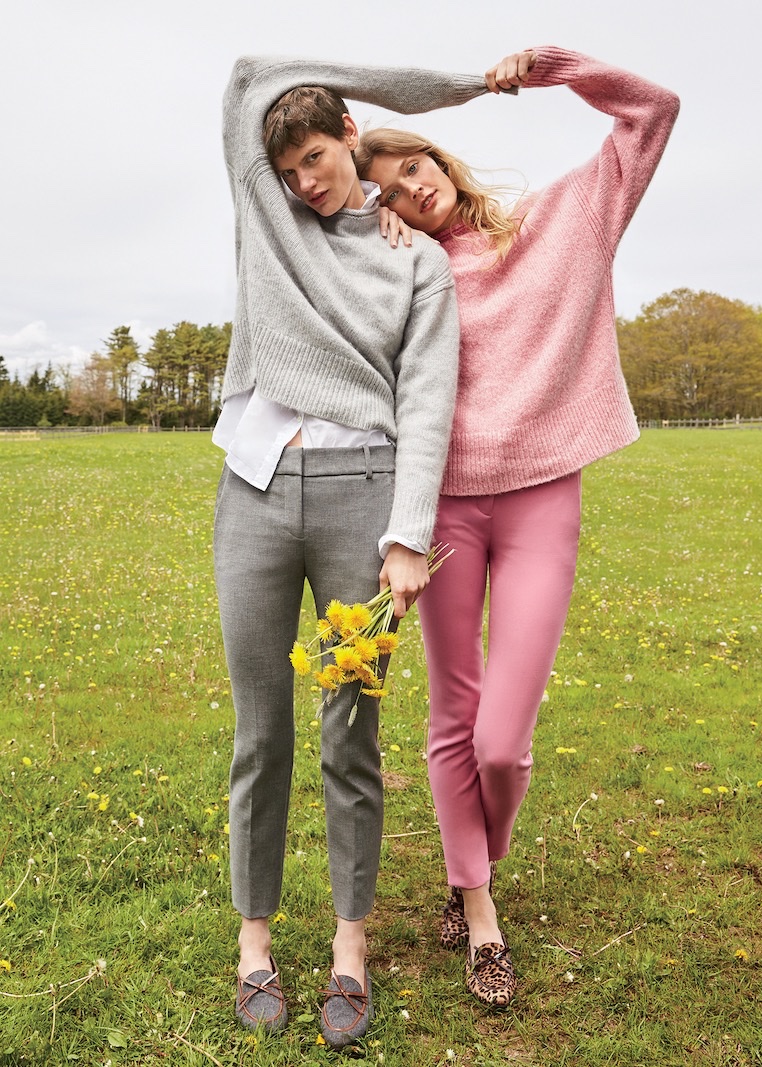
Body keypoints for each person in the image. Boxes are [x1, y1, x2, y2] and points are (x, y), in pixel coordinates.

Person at [354, 47, 680, 1007]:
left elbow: (653, 112)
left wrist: (557, 69)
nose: (412, 192)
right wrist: (372, 251)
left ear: (440, 159)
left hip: (543, 497)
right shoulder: (404, 271)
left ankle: (473, 860)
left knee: (504, 740)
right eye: (390, 192)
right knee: (453, 716)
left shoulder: (565, 218)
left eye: (413, 167)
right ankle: (477, 903)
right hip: (444, 506)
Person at [214, 57, 471, 1044]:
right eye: (287, 169)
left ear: (350, 133)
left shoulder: (416, 259)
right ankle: (253, 943)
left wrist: (407, 534)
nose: (304, 182)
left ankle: (349, 949)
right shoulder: (270, 222)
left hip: (363, 497)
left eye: (316, 157)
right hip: (255, 491)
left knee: (348, 735)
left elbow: (427, 397)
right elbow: (250, 76)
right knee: (260, 732)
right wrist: (455, 88)